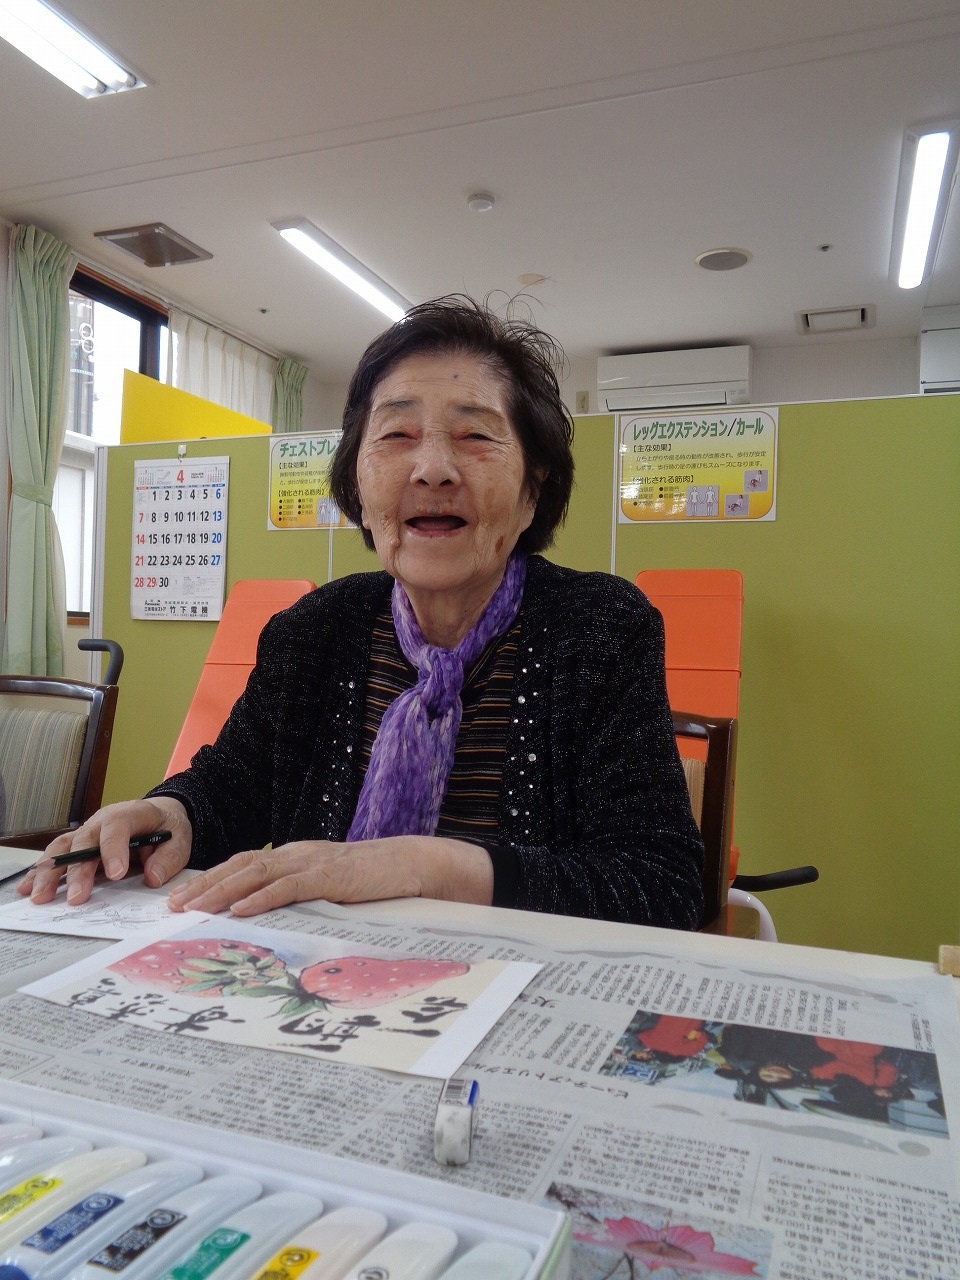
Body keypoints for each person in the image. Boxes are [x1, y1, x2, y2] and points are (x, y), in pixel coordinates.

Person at [21, 296, 705, 927]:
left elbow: (661, 884)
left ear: (533, 489)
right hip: (320, 982)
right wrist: (167, 813)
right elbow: (230, 789)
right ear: (356, 481)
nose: (433, 469)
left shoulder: (601, 629)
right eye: (397, 435)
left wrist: (423, 866)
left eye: (475, 436)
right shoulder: (313, 630)